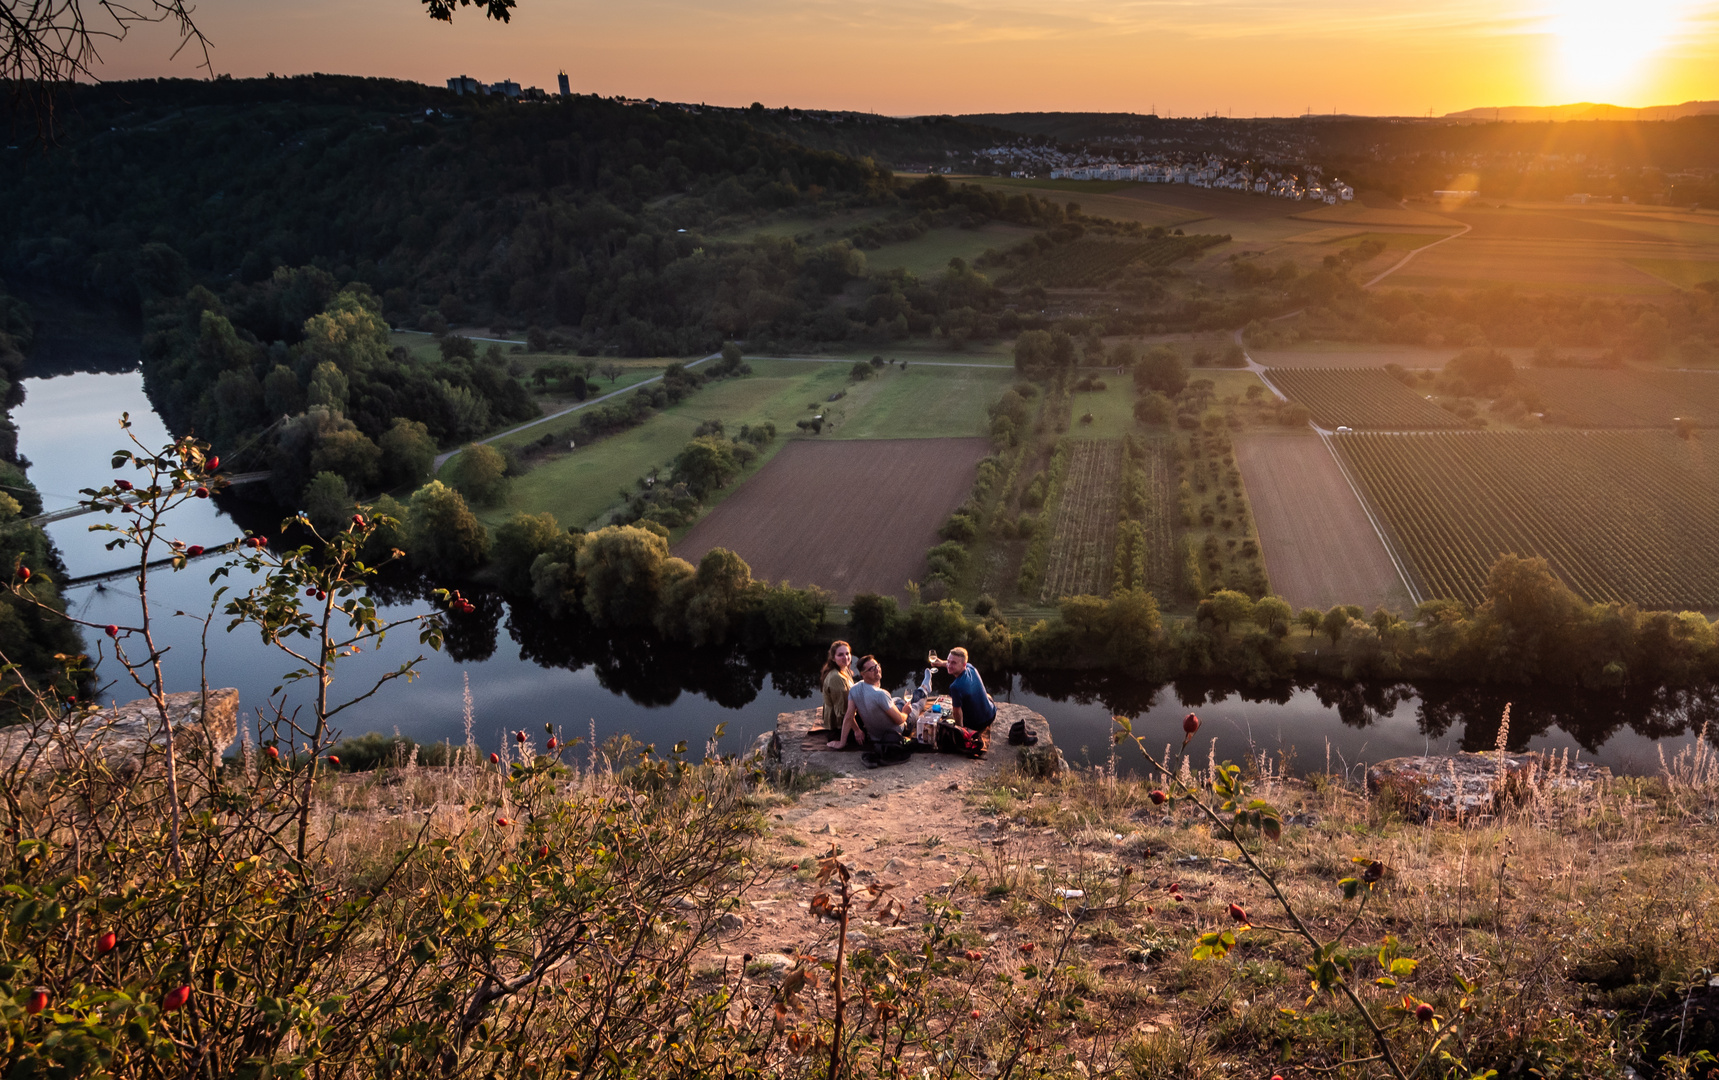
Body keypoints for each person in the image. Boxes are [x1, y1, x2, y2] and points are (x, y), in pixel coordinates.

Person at [930, 647, 1036, 746]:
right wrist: (941, 663)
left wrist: (960, 731)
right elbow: (951, 664)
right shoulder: (971, 668)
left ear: (963, 664)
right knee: (987, 695)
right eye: (948, 661)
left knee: (948, 716)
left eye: (953, 663)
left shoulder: (955, 686)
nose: (949, 665)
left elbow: (957, 713)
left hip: (977, 724)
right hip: (991, 714)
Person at [829, 654, 912, 750]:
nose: (877, 669)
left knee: (897, 700)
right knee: (912, 705)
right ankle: (924, 689)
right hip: (896, 732)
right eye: (871, 669)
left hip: (875, 737)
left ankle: (899, 701)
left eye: (877, 666)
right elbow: (899, 720)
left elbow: (849, 716)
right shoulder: (881, 694)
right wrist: (905, 712)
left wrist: (842, 742)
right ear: (862, 674)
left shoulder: (854, 689)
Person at [819, 640, 854, 736]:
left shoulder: (844, 668)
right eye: (840, 655)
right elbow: (842, 711)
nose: (845, 657)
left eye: (847, 653)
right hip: (840, 725)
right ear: (833, 658)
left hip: (848, 715)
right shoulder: (836, 677)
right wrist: (857, 730)